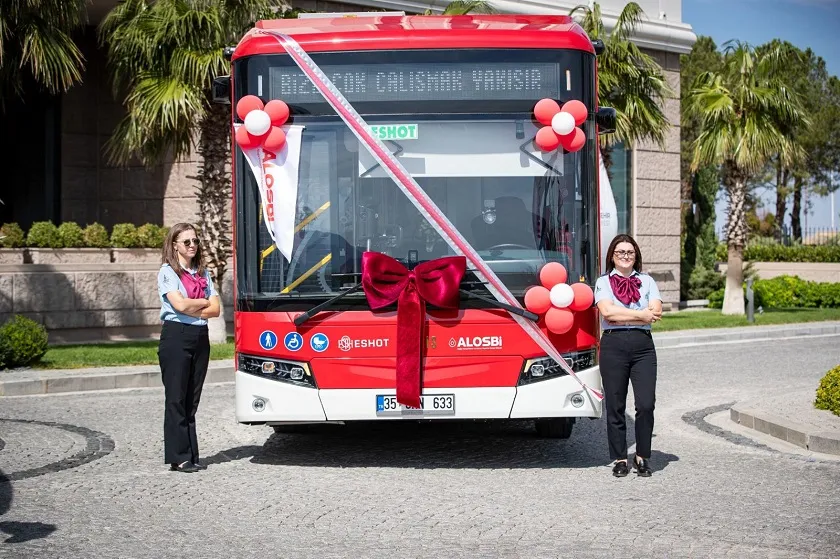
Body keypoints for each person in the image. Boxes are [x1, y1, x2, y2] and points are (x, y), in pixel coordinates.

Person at [594, 234, 662, 478]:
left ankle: (642, 455)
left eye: (630, 252)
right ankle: (620, 457)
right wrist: (640, 315)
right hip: (613, 345)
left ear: (636, 256)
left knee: (646, 404)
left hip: (642, 346)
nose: (625, 256)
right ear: (612, 256)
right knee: (615, 404)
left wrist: (634, 315)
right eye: (620, 252)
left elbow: (655, 311)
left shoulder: (647, 281)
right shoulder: (603, 282)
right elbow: (607, 311)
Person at [157, 223, 221, 473]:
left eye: (195, 241)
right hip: (176, 336)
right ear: (175, 245)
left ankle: (191, 454)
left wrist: (195, 304)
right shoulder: (167, 272)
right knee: (176, 398)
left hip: (199, 335)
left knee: (191, 399)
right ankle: (179, 456)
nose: (193, 245)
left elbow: (215, 310)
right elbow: (180, 306)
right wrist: (203, 301)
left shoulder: (203, 273)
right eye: (187, 242)